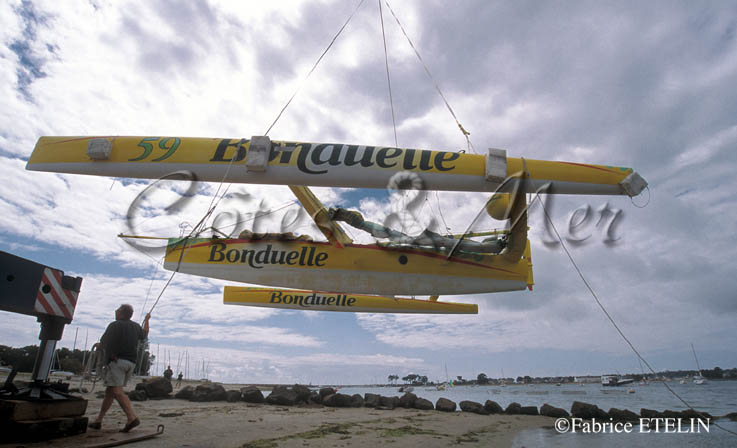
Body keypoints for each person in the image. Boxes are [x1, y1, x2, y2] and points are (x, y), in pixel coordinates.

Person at [88, 304, 150, 433]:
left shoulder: (114, 325)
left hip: (117, 362)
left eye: (118, 309)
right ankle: (99, 420)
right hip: (131, 364)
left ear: (121, 313)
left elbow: (103, 343)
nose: (115, 311)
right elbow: (145, 334)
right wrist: (147, 320)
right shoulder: (136, 326)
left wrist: (99, 347)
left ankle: (131, 418)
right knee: (110, 392)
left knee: (117, 391)